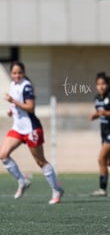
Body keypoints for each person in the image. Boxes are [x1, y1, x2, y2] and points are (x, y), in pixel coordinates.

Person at [0, 61, 64, 204]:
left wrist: (13, 101)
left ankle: (56, 190)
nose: (17, 75)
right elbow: (17, 106)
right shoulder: (12, 85)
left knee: (40, 161)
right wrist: (12, 110)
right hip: (17, 128)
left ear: (24, 73)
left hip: (31, 129)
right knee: (3, 155)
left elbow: (30, 107)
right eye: (14, 73)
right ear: (11, 74)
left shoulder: (26, 86)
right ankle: (22, 181)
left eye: (19, 73)